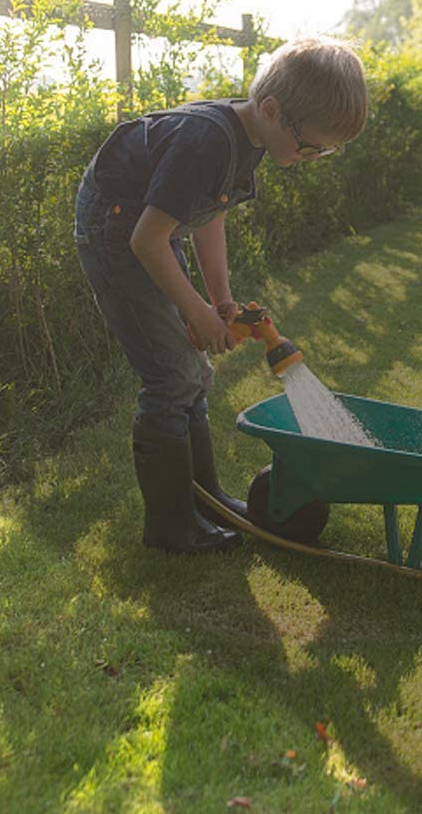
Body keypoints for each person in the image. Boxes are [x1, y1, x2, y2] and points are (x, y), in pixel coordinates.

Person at [74, 38, 367, 554]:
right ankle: (170, 526)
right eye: (309, 146)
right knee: (171, 377)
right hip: (116, 231)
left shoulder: (247, 140)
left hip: (153, 232)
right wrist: (193, 311)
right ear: (272, 111)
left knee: (195, 372)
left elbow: (209, 215)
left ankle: (204, 502)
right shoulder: (205, 141)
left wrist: (219, 300)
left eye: (325, 151)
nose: (312, 158)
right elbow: (145, 239)